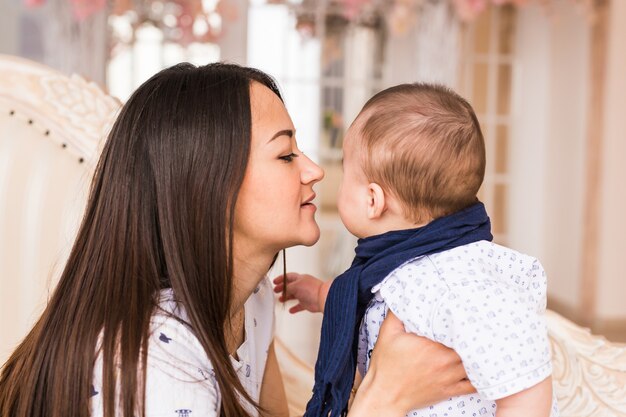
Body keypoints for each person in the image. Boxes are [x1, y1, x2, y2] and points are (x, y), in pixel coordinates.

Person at [0, 64, 474, 417]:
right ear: (209, 187)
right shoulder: (155, 365)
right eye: (286, 154)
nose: (314, 170)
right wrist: (382, 400)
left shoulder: (250, 303)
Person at [274, 83, 559, 417]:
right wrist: (324, 295)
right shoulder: (405, 263)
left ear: (372, 200)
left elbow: (527, 387)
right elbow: (373, 302)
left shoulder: (459, 285)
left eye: (346, 167)